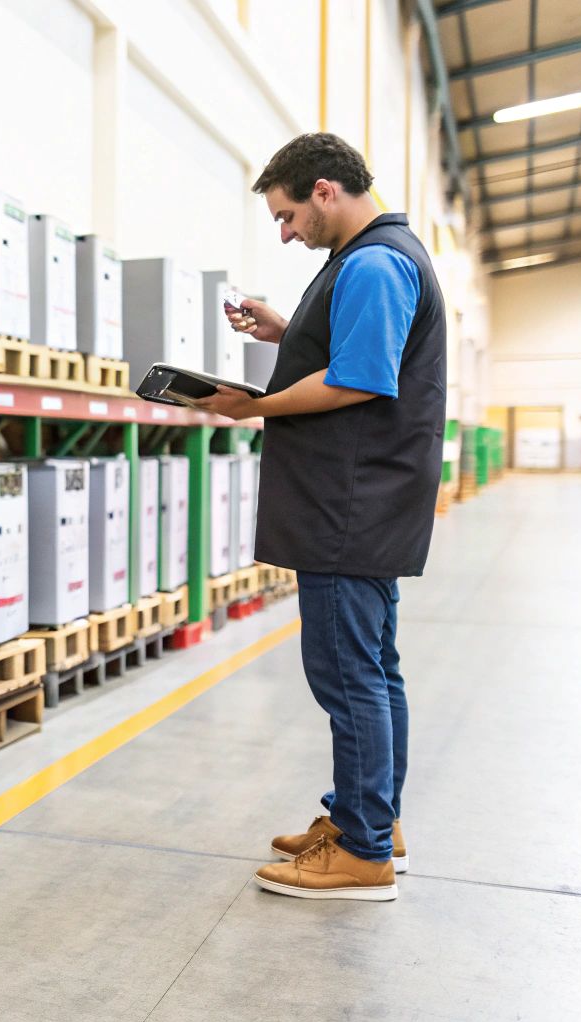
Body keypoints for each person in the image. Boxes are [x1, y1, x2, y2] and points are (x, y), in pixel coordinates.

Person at [193, 133, 446, 902]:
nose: (286, 231)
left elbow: (360, 379)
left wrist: (256, 404)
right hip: (363, 501)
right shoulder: (374, 256)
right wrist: (285, 332)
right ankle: (372, 818)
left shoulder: (372, 261)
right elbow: (350, 350)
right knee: (373, 670)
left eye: (287, 214)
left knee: (346, 676)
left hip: (349, 504)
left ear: (326, 191)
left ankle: (363, 852)